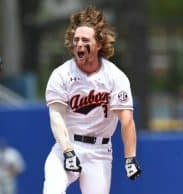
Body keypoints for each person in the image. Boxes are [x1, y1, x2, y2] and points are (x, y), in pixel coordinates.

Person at [43, 6, 141, 194]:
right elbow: (56, 115)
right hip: (68, 143)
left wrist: (130, 157)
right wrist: (67, 151)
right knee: (52, 189)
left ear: (98, 45)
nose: (79, 44)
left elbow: (127, 120)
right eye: (76, 39)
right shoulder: (62, 74)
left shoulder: (115, 77)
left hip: (100, 152)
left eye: (85, 40)